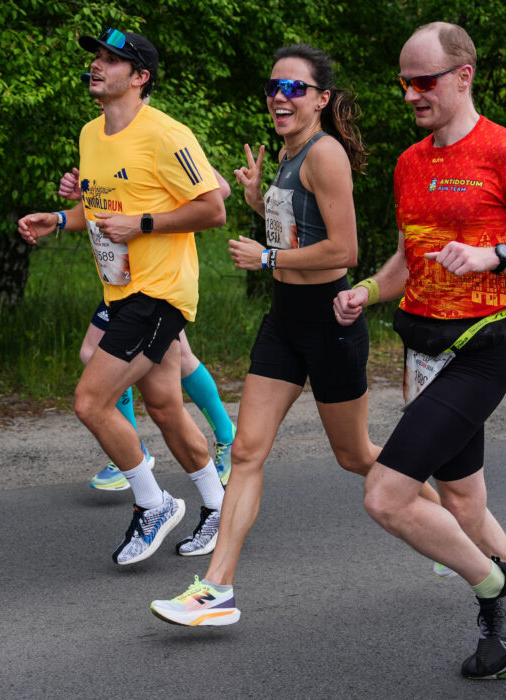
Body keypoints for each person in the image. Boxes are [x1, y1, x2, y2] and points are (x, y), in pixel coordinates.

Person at [150, 43, 448, 626]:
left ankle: (450, 524)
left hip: (329, 320)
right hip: (284, 320)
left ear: (321, 99)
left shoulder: (325, 153)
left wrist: (265, 257)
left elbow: (345, 250)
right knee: (246, 450)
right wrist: (263, 200)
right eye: (273, 88)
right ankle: (217, 591)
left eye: (294, 89)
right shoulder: (286, 154)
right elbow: (297, 234)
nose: (280, 98)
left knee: (355, 454)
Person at [327, 23, 506, 679]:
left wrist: (498, 254)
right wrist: (368, 290)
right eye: (403, 82)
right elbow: (411, 256)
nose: (410, 94)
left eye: (423, 81)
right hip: (421, 351)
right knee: (462, 505)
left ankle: (500, 589)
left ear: (463, 75)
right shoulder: (411, 163)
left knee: (385, 497)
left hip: (479, 350)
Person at [18, 28, 228, 564]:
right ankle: (219, 507)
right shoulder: (92, 134)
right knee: (162, 404)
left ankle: (152, 502)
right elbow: (100, 205)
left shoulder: (168, 135)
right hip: (120, 290)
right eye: (97, 57)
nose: (98, 65)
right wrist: (60, 218)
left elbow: (212, 208)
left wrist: (145, 223)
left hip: (159, 292)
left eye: (113, 60)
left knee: (91, 401)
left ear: (140, 78)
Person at [58, 166, 236, 491]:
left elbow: (219, 191)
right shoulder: (106, 139)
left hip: (155, 278)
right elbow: (112, 203)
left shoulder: (162, 136)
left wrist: (143, 222)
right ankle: (219, 446)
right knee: (177, 360)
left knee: (99, 353)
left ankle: (138, 448)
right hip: (126, 278)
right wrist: (85, 193)